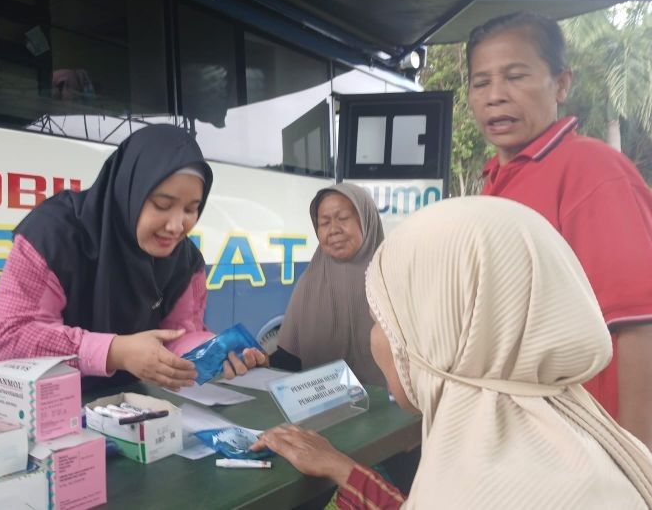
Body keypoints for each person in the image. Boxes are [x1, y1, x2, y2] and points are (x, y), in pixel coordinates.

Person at [251, 196, 652, 509]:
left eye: (385, 321)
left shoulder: (484, 490)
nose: (375, 338)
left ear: (445, 334)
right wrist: (342, 468)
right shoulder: (572, 444)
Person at [0, 125, 266, 407]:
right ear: (129, 190)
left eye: (191, 209)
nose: (176, 225)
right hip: (16, 402)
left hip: (112, 406)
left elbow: (178, 334)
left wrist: (214, 350)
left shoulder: (185, 261)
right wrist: (115, 352)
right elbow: (13, 333)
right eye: (162, 204)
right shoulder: (53, 233)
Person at [467, 11, 652, 446]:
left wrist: (635, 461)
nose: (495, 96)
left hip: (586, 440)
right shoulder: (495, 180)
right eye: (481, 82)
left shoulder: (592, 170)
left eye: (515, 76)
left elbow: (638, 325)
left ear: (561, 83)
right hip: (522, 433)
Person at [271, 183, 386, 386]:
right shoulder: (309, 284)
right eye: (324, 223)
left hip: (391, 409)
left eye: (343, 219)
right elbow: (289, 360)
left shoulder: (392, 281)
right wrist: (261, 362)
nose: (333, 230)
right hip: (322, 407)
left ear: (366, 220)